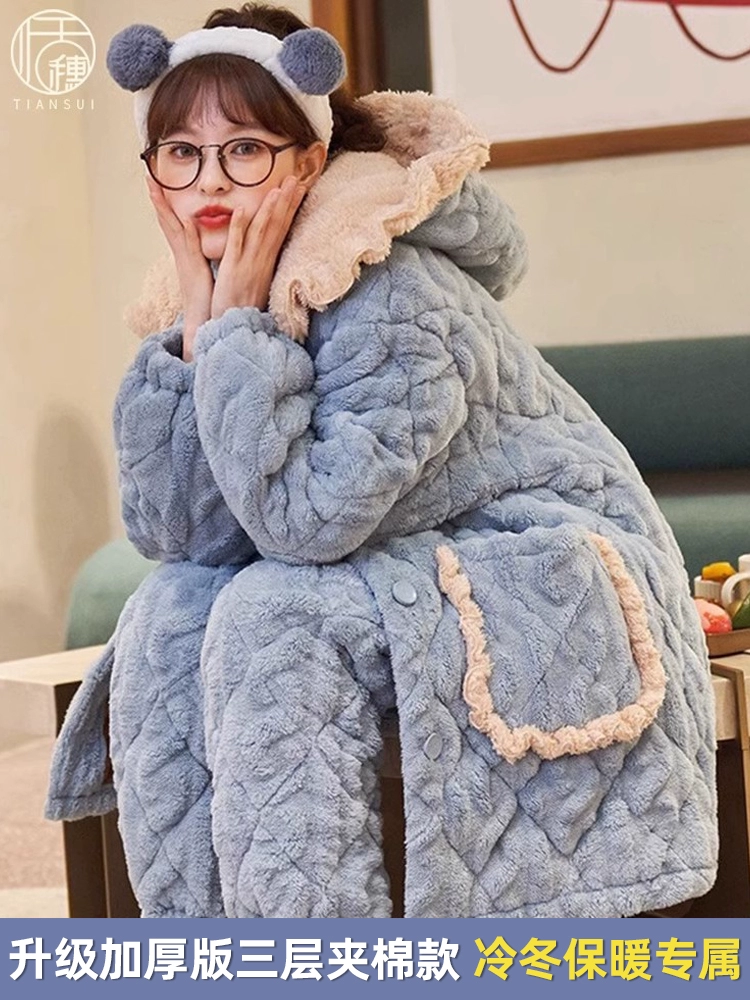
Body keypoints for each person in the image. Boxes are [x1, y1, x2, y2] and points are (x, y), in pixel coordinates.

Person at [47, 3, 718, 919]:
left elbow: (307, 525)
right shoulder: (218, 294)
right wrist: (202, 336)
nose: (211, 181)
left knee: (273, 612)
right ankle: (208, 952)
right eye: (181, 153)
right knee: (170, 608)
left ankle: (318, 957)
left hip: (535, 547)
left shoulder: (394, 287)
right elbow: (182, 535)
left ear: (310, 158)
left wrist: (235, 332)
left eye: (244, 149)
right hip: (394, 546)